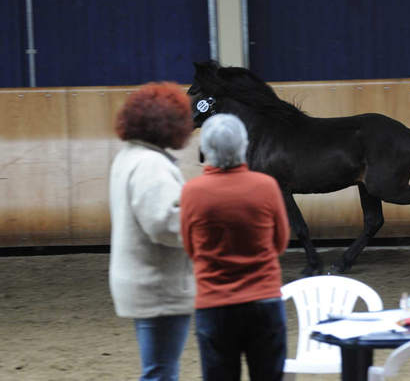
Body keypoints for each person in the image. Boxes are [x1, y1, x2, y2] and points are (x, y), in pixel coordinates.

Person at [180, 113, 290, 381]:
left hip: (214, 305)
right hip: (264, 301)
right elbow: (280, 242)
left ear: (205, 150)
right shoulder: (266, 186)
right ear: (244, 145)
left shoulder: (192, 192)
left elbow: (190, 248)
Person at [109, 82, 196, 381]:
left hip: (144, 281)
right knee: (161, 372)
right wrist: (203, 224)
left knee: (158, 368)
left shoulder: (130, 156)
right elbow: (164, 223)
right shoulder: (151, 165)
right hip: (158, 286)